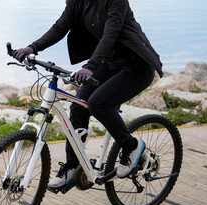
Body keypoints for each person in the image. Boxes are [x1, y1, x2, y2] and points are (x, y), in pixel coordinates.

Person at [13, 0, 163, 189]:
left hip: (137, 66)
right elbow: (60, 27)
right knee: (78, 105)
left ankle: (132, 146)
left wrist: (90, 66)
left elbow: (111, 33)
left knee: (98, 103)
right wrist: (32, 48)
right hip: (110, 63)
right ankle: (72, 166)